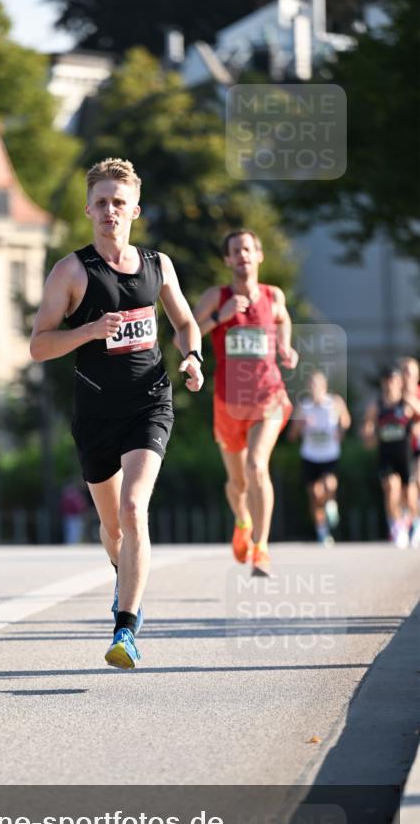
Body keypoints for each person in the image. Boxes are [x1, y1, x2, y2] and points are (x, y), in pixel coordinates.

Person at [30, 157, 204, 669]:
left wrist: (192, 357)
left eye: (119, 203)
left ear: (135, 210)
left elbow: (186, 322)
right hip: (95, 415)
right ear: (89, 209)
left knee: (133, 508)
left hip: (150, 402)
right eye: (101, 202)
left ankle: (126, 630)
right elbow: (39, 346)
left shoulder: (159, 265)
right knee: (113, 529)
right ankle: (122, 573)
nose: (110, 211)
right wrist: (88, 330)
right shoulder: (71, 271)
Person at [190, 229, 298, 576]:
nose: (242, 256)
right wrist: (218, 318)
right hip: (229, 402)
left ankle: (262, 549)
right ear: (227, 259)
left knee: (256, 466)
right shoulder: (216, 296)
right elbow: (185, 331)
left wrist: (285, 346)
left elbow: (284, 318)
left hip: (268, 394)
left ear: (259, 255)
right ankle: (242, 520)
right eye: (235, 251)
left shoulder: (272, 295)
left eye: (248, 249)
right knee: (237, 484)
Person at [288, 370, 351, 545]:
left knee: (329, 485)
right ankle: (322, 531)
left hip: (329, 454)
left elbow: (345, 419)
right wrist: (300, 425)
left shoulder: (334, 402)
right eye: (311, 385)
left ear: (324, 387)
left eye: (317, 385)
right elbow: (292, 436)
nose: (314, 388)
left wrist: (341, 431)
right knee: (315, 495)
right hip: (310, 455)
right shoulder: (304, 407)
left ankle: (331, 504)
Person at [361, 367, 416, 548]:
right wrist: (369, 434)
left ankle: (414, 523)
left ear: (400, 383)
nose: (390, 385)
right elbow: (367, 430)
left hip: (405, 455)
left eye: (393, 381)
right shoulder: (376, 405)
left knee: (409, 496)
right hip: (386, 455)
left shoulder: (406, 402)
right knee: (391, 489)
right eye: (387, 381)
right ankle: (397, 527)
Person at [398, 356, 420, 547]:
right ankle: (409, 523)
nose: (408, 377)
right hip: (401, 450)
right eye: (404, 373)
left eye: (411, 373)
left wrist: (411, 402)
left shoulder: (417, 394)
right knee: (406, 492)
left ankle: (415, 524)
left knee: (417, 481)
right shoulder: (394, 396)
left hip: (418, 447)